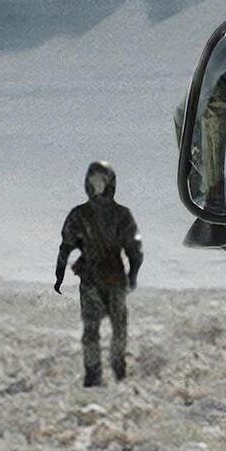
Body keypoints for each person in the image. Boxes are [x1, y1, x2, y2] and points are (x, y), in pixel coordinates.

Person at [54, 161, 143, 386]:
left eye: (100, 181)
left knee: (119, 328)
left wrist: (132, 275)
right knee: (91, 330)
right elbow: (66, 246)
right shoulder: (79, 215)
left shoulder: (122, 215)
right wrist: (59, 274)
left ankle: (118, 368)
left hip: (114, 279)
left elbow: (134, 249)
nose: (96, 186)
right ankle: (93, 374)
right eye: (93, 181)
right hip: (91, 281)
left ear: (109, 183)